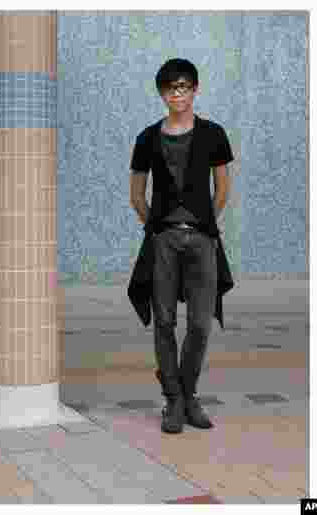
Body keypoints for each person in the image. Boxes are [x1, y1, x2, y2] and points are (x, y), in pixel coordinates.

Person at [127, 58, 235, 434]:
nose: (178, 93)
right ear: (162, 93)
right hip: (164, 242)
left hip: (203, 239)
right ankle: (174, 400)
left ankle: (187, 392)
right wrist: (157, 228)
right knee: (165, 321)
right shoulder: (146, 138)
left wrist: (205, 223)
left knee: (201, 324)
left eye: (185, 86)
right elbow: (137, 195)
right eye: (171, 87)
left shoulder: (214, 134)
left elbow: (222, 187)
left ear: (195, 90)